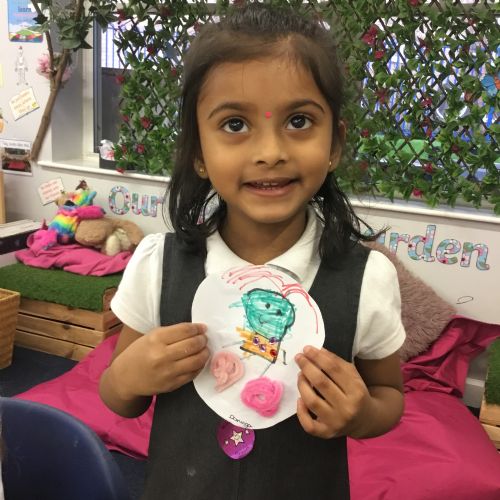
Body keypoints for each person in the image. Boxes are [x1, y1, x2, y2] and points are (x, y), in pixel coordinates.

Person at [99, 4, 405, 499]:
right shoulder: (158, 265)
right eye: (235, 124)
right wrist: (130, 376)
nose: (270, 152)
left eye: (299, 120)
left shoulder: (366, 278)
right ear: (199, 152)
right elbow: (118, 396)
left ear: (334, 144)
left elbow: (389, 395)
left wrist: (363, 414)